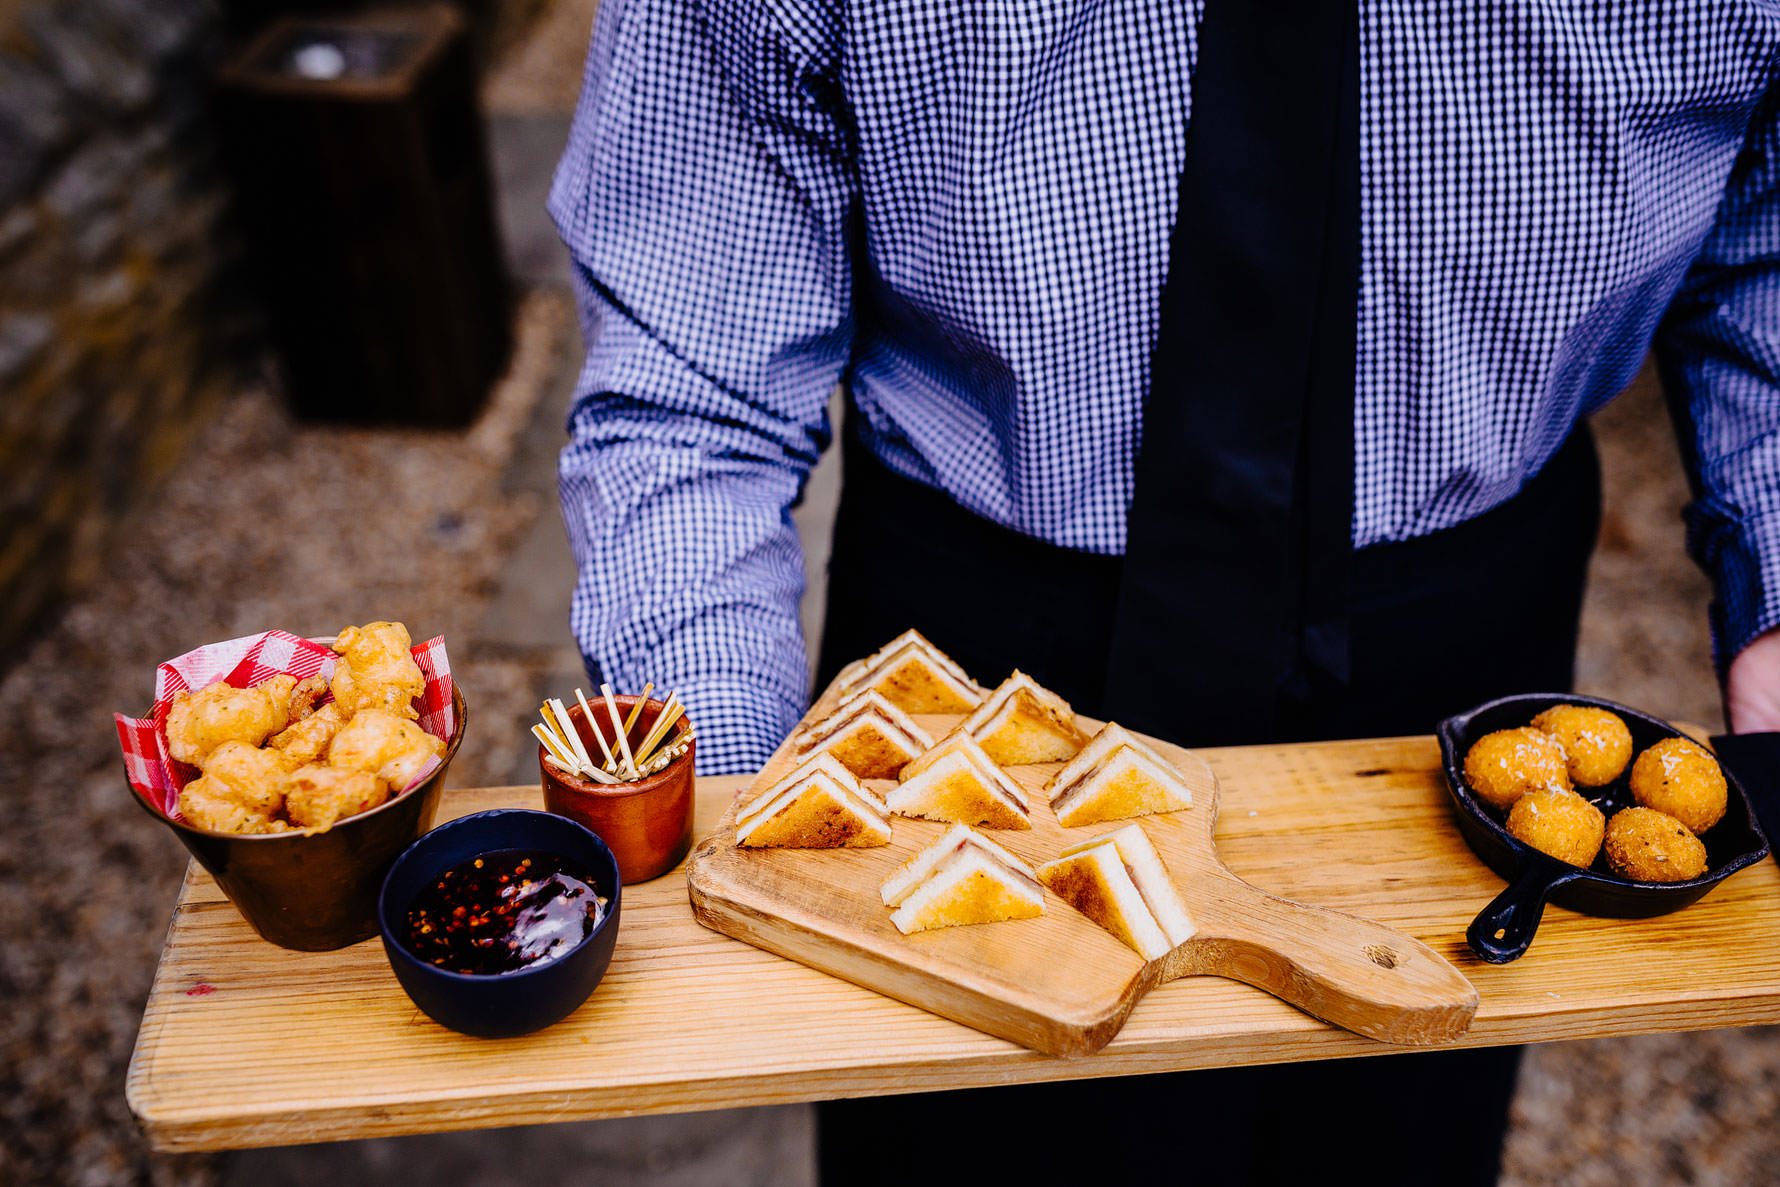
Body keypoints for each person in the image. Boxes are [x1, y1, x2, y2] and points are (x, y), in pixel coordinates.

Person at [549, 3, 1780, 1184]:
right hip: (969, 684)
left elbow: (1765, 232)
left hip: (1474, 682)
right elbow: (687, 381)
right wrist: (733, 827)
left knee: (1401, 1138)